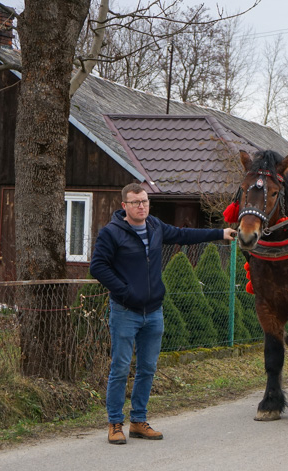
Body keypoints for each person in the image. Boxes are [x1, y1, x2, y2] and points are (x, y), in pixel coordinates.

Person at [90, 183, 237, 445]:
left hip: (154, 311)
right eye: (135, 202)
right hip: (125, 311)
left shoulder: (155, 226)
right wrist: (124, 291)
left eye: (145, 201)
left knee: (147, 368)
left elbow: (183, 235)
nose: (141, 206)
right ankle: (115, 423)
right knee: (121, 368)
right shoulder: (111, 233)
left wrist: (219, 232)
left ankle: (138, 421)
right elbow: (98, 267)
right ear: (124, 206)